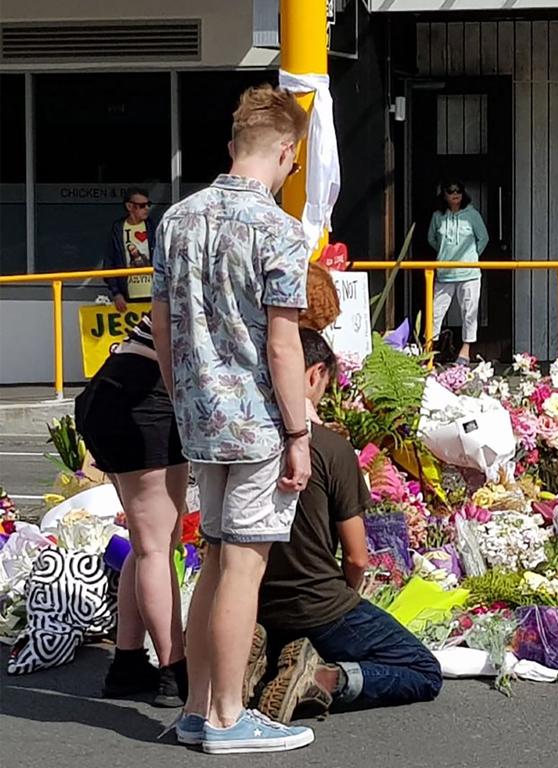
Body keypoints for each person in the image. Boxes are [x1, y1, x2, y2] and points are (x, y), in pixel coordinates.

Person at [151, 84, 314, 755]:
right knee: (243, 567)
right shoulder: (279, 231)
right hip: (256, 422)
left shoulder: (176, 219)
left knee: (212, 559)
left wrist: (183, 390)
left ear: (230, 148)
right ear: (283, 150)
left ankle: (196, 708)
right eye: (293, 163)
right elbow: (283, 344)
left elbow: (160, 325)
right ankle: (226, 715)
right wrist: (300, 432)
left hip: (199, 414)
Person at [251, 328, 443, 723]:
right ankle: (324, 679)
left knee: (285, 639)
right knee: (424, 670)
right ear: (313, 374)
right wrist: (347, 595)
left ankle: (253, 666)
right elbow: (356, 558)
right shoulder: (330, 448)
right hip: (320, 604)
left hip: (255, 605)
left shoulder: (244, 444)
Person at [74, 313, 188, 708]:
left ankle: (127, 662)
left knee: (149, 542)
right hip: (147, 397)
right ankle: (176, 671)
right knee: (156, 547)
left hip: (114, 387)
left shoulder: (186, 267)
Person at [427, 180, 489, 365]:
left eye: (459, 191)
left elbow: (483, 238)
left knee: (469, 312)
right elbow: (431, 238)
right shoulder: (438, 216)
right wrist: (444, 254)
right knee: (435, 312)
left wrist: (471, 256)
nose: (455, 194)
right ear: (444, 194)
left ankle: (465, 350)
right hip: (445, 272)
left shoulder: (472, 215)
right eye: (450, 191)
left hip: (469, 273)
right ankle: (429, 350)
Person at [104, 187, 158, 313]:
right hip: (127, 296)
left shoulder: (152, 227)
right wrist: (116, 293)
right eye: (142, 205)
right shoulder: (118, 228)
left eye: (148, 204)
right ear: (129, 206)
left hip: (153, 294)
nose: (147, 208)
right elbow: (109, 261)